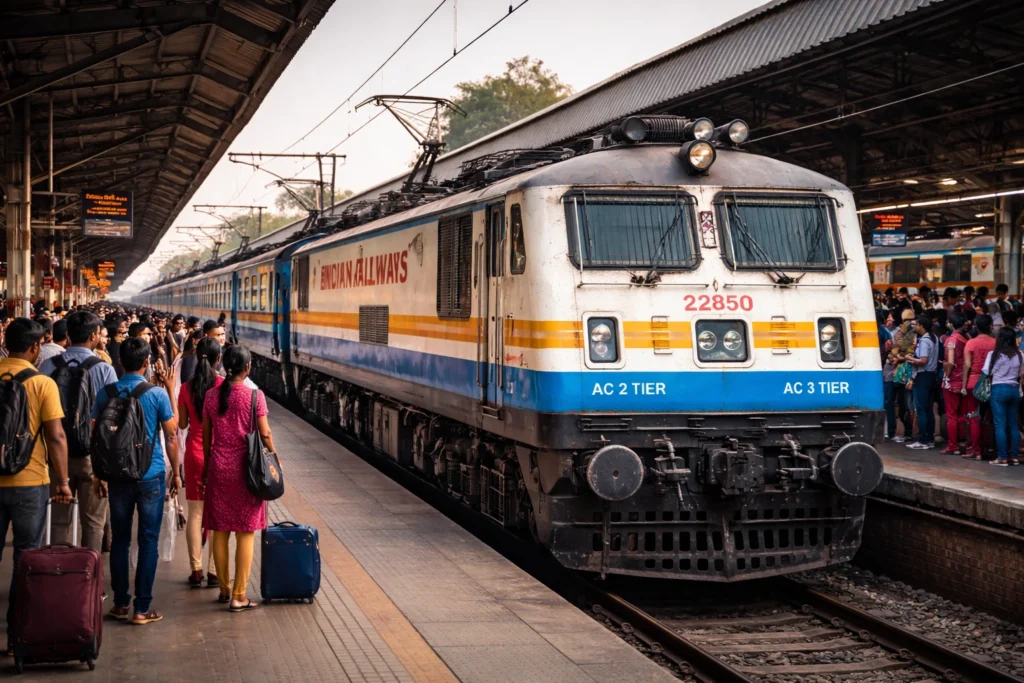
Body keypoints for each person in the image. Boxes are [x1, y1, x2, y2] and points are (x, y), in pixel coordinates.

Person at [93, 337, 181, 625]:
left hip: (117, 476)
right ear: (147, 363)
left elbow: (97, 437)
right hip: (150, 475)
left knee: (119, 540)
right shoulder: (157, 395)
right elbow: (171, 436)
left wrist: (98, 474)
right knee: (148, 541)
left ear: (120, 362)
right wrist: (176, 472)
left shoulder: (105, 393)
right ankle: (142, 609)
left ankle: (120, 604)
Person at [0, 318, 72, 654]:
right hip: (30, 482)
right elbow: (56, 437)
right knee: (25, 559)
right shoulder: (42, 383)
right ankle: (16, 637)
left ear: (5, 345)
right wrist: (63, 482)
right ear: (34, 348)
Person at [202, 345, 276, 613]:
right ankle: (239, 596)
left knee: (220, 530)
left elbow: (207, 439)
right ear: (247, 368)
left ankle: (224, 590)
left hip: (219, 468)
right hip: (248, 472)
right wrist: (275, 460)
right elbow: (265, 434)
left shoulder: (211, 396)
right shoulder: (255, 396)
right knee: (245, 532)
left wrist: (206, 469)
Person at [38, 311, 119, 551]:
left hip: (55, 456)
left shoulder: (48, 365)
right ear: (94, 335)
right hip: (92, 457)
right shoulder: (104, 369)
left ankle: (57, 568)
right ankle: (88, 572)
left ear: (68, 334)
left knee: (58, 520)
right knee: (93, 522)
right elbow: (111, 419)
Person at [177, 337, 222, 589]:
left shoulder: (186, 388)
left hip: (194, 454)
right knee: (215, 515)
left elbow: (183, 424)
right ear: (219, 358)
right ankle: (215, 572)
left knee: (195, 514)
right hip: (218, 453)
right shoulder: (222, 386)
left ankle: (196, 570)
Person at [981, 326, 1023, 467]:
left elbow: (987, 372)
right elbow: (1021, 374)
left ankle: (1002, 457)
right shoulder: (1020, 355)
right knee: (1013, 424)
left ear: (1000, 338)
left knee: (1000, 425)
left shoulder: (993, 355)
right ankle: (1014, 457)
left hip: (998, 389)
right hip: (1014, 390)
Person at [962, 314, 997, 460]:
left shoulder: (971, 343)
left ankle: (976, 451)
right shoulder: (996, 343)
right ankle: (987, 447)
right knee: (988, 417)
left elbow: (967, 365)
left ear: (976, 327)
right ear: (990, 327)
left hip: (973, 382)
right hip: (991, 382)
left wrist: (964, 384)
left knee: (974, 417)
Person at [904, 315, 939, 450]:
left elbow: (923, 360)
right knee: (928, 409)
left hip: (923, 376)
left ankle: (922, 440)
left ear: (921, 326)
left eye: (916, 324)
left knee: (921, 410)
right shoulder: (934, 338)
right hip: (931, 376)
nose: (914, 326)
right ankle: (930, 439)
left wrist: (910, 359)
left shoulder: (924, 341)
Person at [940, 313, 970, 456]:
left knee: (951, 415)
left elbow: (951, 362)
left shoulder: (951, 340)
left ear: (951, 324)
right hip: (965, 380)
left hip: (952, 381)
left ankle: (953, 446)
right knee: (964, 414)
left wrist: (946, 371)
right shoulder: (967, 339)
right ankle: (967, 444)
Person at [889, 309, 917, 442]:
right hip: (911, 373)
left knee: (905, 405)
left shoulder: (900, 332)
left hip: (903, 374)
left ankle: (909, 431)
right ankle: (910, 431)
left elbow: (895, 353)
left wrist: (898, 358)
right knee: (908, 405)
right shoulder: (916, 332)